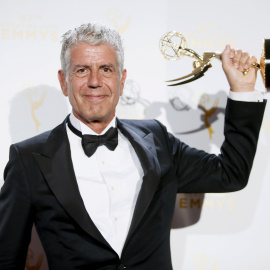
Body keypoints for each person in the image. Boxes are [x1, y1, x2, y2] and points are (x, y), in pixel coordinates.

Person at [0, 22, 266, 270]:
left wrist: (242, 90)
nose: (95, 81)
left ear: (122, 80)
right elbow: (7, 256)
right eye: (82, 70)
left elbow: (231, 174)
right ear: (63, 81)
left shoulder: (156, 139)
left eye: (106, 69)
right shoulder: (28, 159)